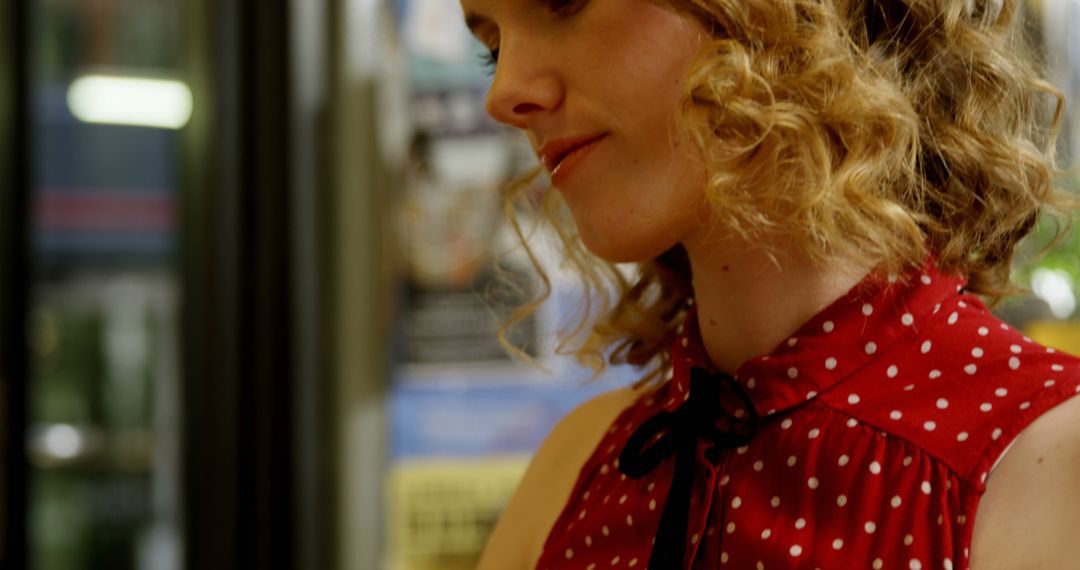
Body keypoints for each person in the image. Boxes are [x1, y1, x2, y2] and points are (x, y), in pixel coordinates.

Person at [460, 0, 1080, 567]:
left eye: (564, 3)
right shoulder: (577, 469)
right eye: (491, 45)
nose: (502, 91)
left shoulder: (1046, 465)